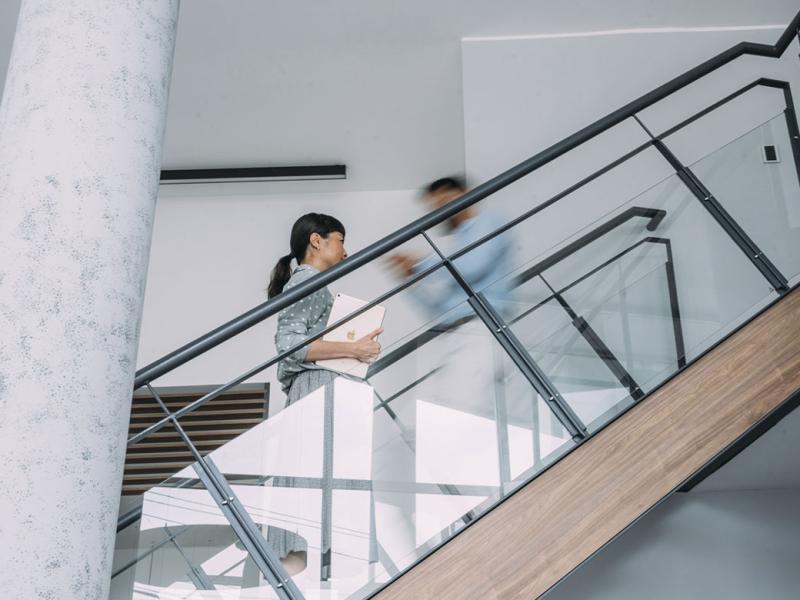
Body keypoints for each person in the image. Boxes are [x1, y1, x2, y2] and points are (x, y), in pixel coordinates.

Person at [266, 212, 382, 575]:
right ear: (317, 241)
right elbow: (290, 346)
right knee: (320, 479)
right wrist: (353, 349)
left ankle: (305, 572)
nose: (346, 252)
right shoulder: (309, 279)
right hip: (318, 388)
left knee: (313, 484)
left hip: (318, 389)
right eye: (340, 240)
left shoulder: (312, 282)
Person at [387, 176, 514, 322]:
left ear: (466, 193)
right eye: (436, 206)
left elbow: (472, 266)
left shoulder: (489, 222)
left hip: (482, 322)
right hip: (457, 328)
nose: (443, 211)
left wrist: (419, 264)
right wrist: (411, 282)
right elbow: (436, 310)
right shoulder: (458, 243)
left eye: (445, 200)